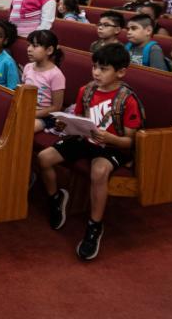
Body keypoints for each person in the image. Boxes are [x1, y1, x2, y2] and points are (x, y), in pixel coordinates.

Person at [38, 43, 144, 261]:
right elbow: (77, 121)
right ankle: (56, 198)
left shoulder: (128, 99)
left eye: (103, 69)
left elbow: (130, 142)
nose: (96, 72)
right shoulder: (85, 91)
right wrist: (63, 126)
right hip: (86, 140)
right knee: (44, 158)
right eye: (94, 67)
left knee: (99, 172)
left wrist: (111, 138)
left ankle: (94, 226)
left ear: (121, 72)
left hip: (112, 146)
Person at [23, 30, 65, 132]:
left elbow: (56, 107)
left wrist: (32, 114)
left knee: (25, 128)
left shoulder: (56, 75)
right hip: (27, 110)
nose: (29, 49)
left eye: (35, 46)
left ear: (49, 50)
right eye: (28, 45)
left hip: (46, 116)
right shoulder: (28, 67)